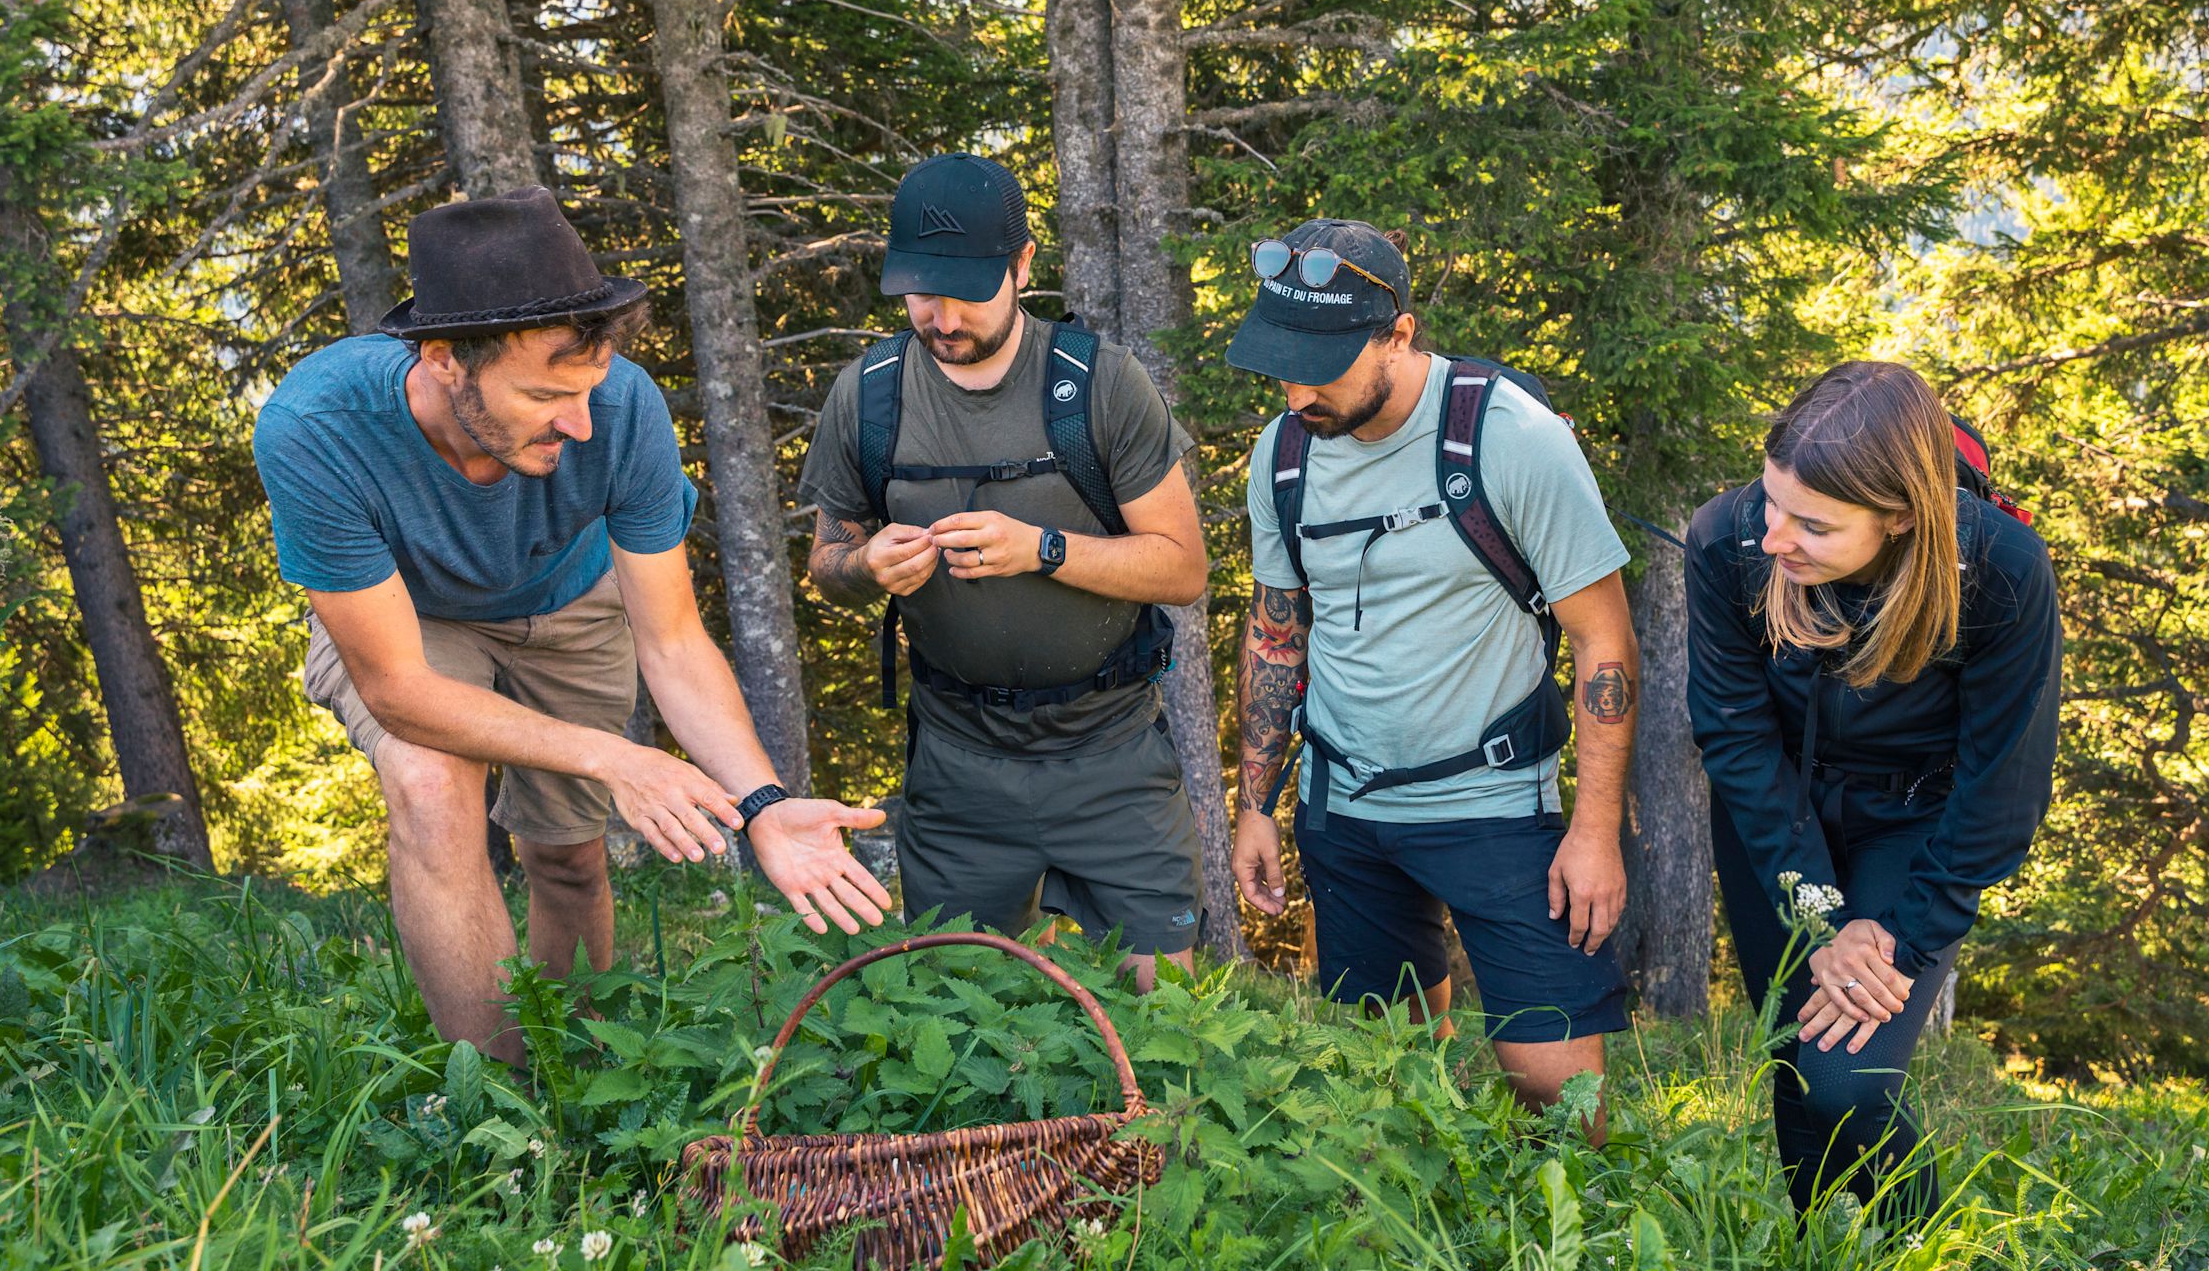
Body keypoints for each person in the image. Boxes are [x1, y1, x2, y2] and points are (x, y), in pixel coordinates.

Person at [256, 187, 889, 1063]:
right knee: (435, 791)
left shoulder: (621, 409)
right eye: (547, 393)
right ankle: (502, 1107)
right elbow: (397, 689)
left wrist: (765, 805)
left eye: (588, 387)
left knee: (568, 857)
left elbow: (670, 639)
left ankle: (579, 1076)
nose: (580, 421)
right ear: (444, 358)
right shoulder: (315, 427)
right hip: (412, 618)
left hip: (572, 603)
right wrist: (614, 755)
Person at [1225, 218, 1638, 1120]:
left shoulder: (1510, 436)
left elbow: (1604, 640)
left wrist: (1596, 830)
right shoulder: (1283, 453)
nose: (1297, 390)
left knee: (1559, 1092)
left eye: (1320, 363)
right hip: (1347, 812)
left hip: (1496, 806)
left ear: (1399, 335)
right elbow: (1275, 631)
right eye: (1280, 363)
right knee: (1388, 1076)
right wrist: (1256, 807)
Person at [797, 153, 1210, 989]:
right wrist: (868, 566)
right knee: (960, 1007)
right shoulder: (870, 397)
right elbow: (825, 564)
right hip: (958, 760)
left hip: (1111, 750)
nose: (941, 315)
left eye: (967, 289)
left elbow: (1182, 568)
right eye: (920, 291)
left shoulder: (1099, 386)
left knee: (1160, 1014)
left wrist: (1044, 550)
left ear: (1024, 266)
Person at [1685, 359, 2060, 1222]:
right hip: (1774, 815)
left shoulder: (1998, 569)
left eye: (1812, 525)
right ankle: (1817, 1240)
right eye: (1772, 500)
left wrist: (1897, 935)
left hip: (1917, 822)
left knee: (1842, 1077)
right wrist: (1820, 917)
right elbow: (1736, 740)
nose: (1776, 534)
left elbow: (2001, 786)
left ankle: (1920, 1239)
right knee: (1795, 1060)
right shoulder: (1728, 539)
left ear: (1898, 516)